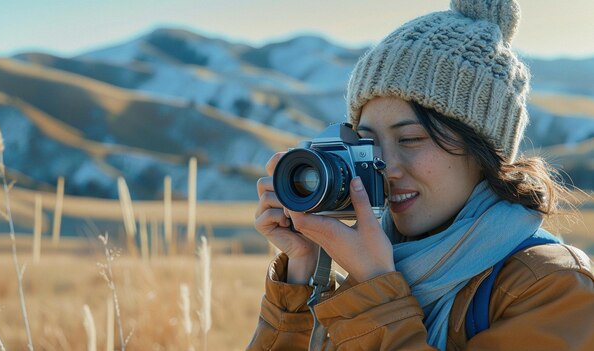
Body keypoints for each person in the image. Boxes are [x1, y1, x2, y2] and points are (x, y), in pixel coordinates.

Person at [247, 0, 594, 350]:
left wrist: (374, 289)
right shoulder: (380, 264)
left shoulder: (552, 286)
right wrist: (302, 272)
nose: (388, 168)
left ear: (485, 148)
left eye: (411, 139)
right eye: (368, 145)